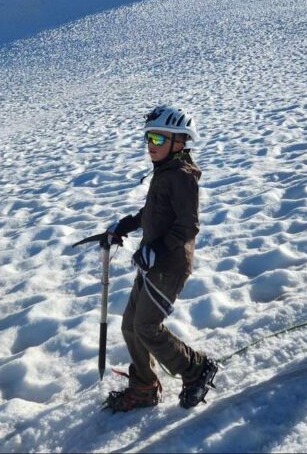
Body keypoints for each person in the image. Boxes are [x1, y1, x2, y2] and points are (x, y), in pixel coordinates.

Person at [103, 105, 219, 411]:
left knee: (147, 327)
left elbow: (188, 224)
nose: (150, 145)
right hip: (153, 263)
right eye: (148, 139)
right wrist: (126, 225)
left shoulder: (181, 176)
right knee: (130, 325)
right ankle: (143, 386)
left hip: (169, 266)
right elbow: (154, 212)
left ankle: (196, 370)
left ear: (179, 142)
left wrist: (157, 249)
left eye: (157, 138)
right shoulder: (165, 171)